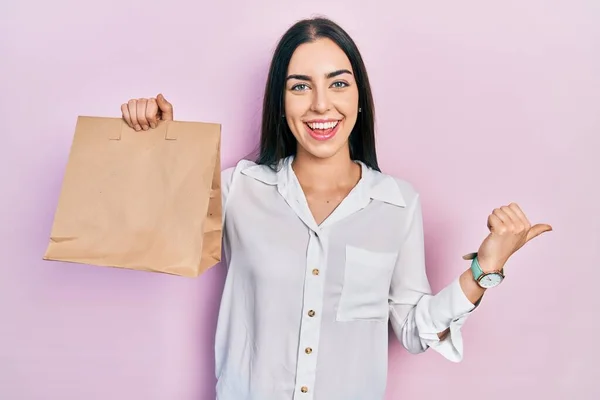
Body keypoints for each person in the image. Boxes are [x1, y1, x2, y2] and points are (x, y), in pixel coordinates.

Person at [120, 17, 551, 400]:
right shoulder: (237, 189)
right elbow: (155, 237)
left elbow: (416, 329)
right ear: (281, 102)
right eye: (300, 86)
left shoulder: (397, 204)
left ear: (359, 98)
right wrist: (158, 144)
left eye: (338, 83)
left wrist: (485, 269)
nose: (321, 104)